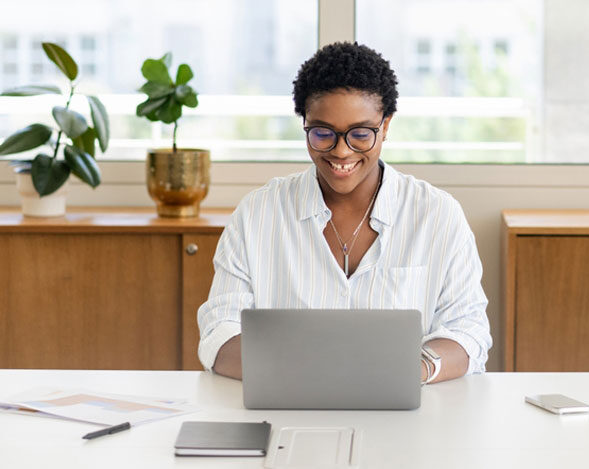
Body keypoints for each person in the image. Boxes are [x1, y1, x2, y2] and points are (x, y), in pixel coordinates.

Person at [197, 42, 492, 383]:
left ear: (386, 125)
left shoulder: (437, 215)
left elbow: (468, 331)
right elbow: (220, 331)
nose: (341, 152)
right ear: (304, 124)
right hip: (285, 410)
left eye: (361, 134)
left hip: (405, 416)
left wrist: (416, 368)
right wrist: (317, 372)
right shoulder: (257, 214)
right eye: (322, 133)